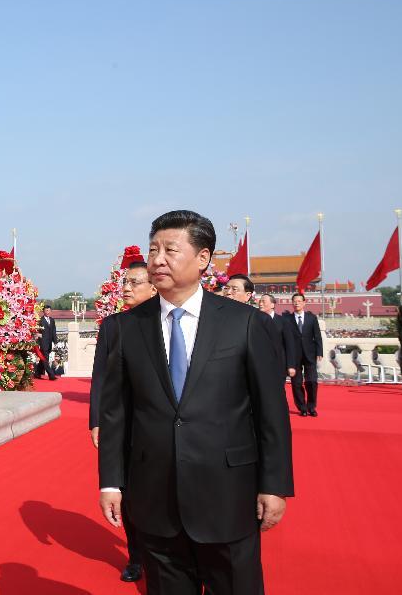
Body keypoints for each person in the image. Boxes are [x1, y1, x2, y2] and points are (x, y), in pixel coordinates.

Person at [98, 210, 293, 595]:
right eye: (154, 249)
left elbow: (271, 412)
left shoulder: (245, 323)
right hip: (154, 497)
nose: (157, 260)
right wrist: (110, 482)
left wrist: (274, 484)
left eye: (171, 249)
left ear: (203, 259)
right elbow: (116, 412)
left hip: (229, 495)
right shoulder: (125, 328)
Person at [89, 260, 156, 583]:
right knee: (127, 494)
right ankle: (136, 557)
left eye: (134, 283)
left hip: (160, 424)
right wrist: (96, 420)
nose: (126, 289)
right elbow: (100, 377)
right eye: (125, 283)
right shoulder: (114, 326)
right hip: (125, 425)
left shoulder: (170, 322)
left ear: (154, 287)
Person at [284, 293, 323, 417]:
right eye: (294, 301)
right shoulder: (286, 319)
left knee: (312, 381)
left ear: (304, 302)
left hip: (310, 354)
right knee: (296, 383)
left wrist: (319, 352)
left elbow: (317, 336)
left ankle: (312, 406)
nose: (297, 303)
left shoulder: (312, 318)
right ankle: (302, 407)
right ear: (292, 303)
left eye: (299, 301)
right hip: (293, 355)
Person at [258, 293, 296, 380]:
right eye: (260, 301)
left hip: (279, 364)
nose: (260, 304)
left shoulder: (283, 321)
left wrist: (291, 365)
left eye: (263, 301)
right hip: (259, 364)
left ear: (272, 305)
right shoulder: (254, 320)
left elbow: (289, 345)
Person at [35, 305, 59, 380]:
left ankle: (37, 373)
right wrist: (38, 341)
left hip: (49, 343)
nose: (47, 312)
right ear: (43, 311)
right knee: (45, 359)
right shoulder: (40, 320)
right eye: (46, 310)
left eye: (49, 310)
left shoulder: (52, 320)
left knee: (43, 359)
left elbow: (53, 331)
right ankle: (51, 375)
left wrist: (55, 341)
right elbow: (37, 331)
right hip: (42, 343)